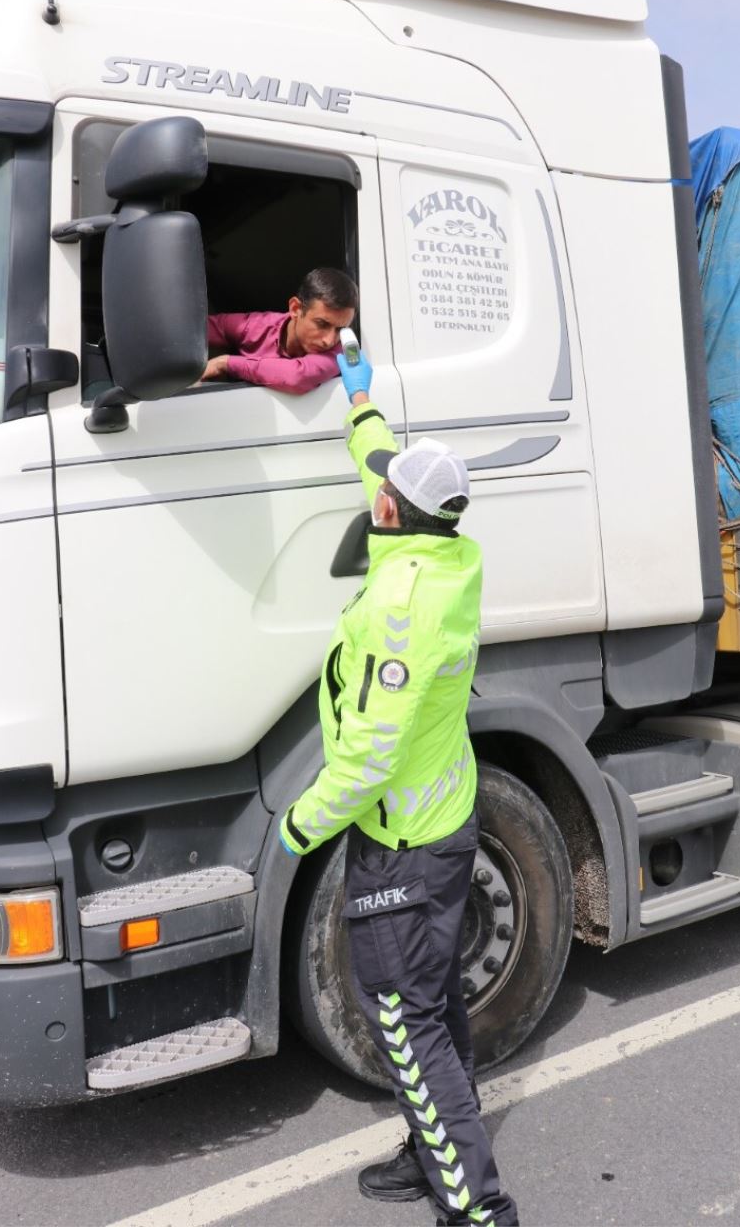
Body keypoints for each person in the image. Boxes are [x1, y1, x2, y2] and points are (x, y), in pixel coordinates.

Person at [279, 349, 519, 1227]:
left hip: (406, 843)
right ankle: (434, 1155)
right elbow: (379, 455)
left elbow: (372, 751)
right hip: (442, 814)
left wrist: (300, 826)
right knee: (437, 1002)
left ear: (390, 513)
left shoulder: (403, 606)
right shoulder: (445, 550)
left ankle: (478, 1208)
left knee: (407, 1031)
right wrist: (360, 394)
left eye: (381, 490)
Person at [200, 266, 357, 394]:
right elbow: (190, 333)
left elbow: (297, 376)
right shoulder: (256, 326)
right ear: (295, 309)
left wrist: (226, 363)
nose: (329, 340)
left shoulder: (343, 352)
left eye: (340, 329)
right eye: (322, 324)